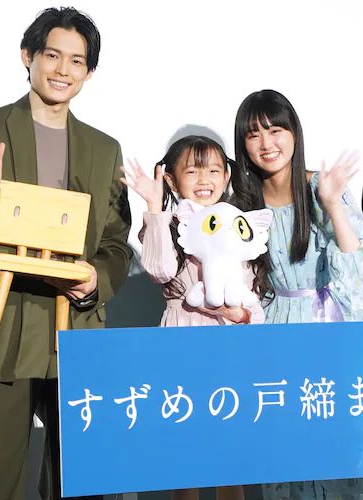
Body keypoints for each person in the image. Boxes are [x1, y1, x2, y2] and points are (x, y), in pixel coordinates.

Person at [0, 7, 132, 499]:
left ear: (89, 72)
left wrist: (96, 280)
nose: (63, 70)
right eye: (52, 55)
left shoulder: (104, 148)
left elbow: (114, 242)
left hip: (76, 326)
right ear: (28, 56)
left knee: (83, 480)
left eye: (77, 61)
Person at [230, 89, 363, 499]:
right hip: (278, 337)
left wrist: (332, 203)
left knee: (357, 450)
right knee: (293, 454)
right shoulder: (241, 206)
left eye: (275, 130)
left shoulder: (320, 188)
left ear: (294, 133)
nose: (266, 143)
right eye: (254, 134)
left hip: (339, 328)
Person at [121, 135, 264, 500]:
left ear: (227, 176)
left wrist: (240, 313)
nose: (204, 180)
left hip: (229, 349)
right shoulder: (167, 225)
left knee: (230, 462)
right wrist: (154, 208)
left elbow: (255, 298)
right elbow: (160, 270)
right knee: (186, 459)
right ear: (171, 179)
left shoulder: (239, 226)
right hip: (181, 344)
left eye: (214, 170)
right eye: (192, 171)